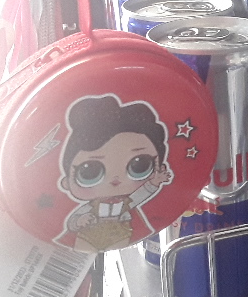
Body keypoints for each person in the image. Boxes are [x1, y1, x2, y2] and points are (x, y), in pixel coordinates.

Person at [56, 94, 174, 251]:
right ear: (66, 182)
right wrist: (79, 222)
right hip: (89, 235)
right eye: (90, 172)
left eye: (139, 165)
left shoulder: (126, 203)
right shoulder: (92, 206)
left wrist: (154, 182)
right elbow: (73, 220)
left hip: (121, 235)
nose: (116, 180)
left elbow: (142, 194)